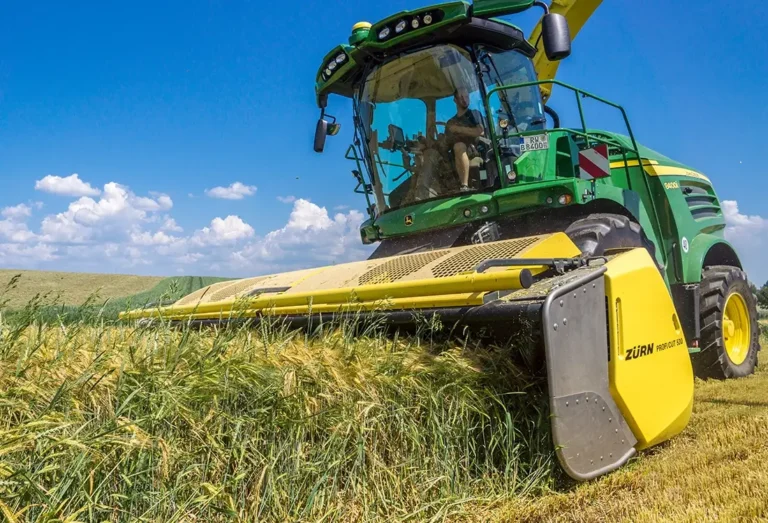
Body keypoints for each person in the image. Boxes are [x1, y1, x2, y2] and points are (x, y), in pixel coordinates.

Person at [445, 87, 485, 191]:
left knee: (459, 146)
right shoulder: (450, 122)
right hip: (455, 155)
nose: (465, 99)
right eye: (461, 97)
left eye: (466, 96)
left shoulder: (474, 114)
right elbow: (446, 143)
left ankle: (464, 186)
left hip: (476, 150)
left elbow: (479, 131)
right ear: (455, 100)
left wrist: (458, 129)